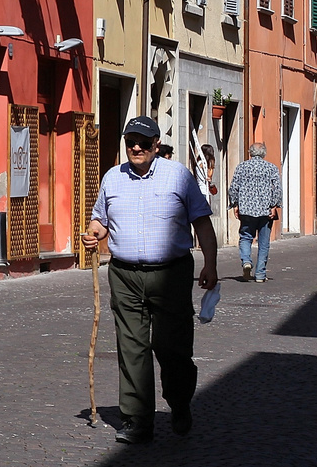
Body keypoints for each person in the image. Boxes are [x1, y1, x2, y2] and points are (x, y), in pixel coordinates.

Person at [82, 116, 218, 444]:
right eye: (131, 141)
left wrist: (210, 265)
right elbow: (101, 219)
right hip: (125, 274)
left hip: (170, 273)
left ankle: (180, 400)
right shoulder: (113, 178)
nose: (136, 147)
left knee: (172, 346)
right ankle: (137, 419)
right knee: (131, 347)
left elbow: (202, 224)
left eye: (143, 141)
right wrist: (93, 234)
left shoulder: (179, 177)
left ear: (156, 144)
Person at [228, 143, 282, 283]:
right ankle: (260, 274)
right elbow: (277, 188)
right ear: (264, 153)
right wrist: (274, 205)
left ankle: (246, 261)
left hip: (246, 209)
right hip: (265, 210)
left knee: (245, 237)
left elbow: (234, 187)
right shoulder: (271, 168)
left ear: (250, 153)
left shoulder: (242, 167)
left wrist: (235, 204)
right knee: (264, 243)